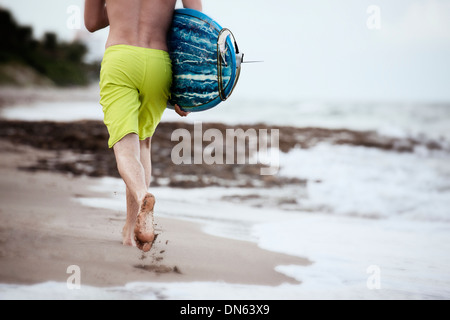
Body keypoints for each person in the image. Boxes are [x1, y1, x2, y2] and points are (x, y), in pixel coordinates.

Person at [84, 0, 202, 252]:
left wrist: (120, 12)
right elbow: (197, 27)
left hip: (121, 58)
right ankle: (130, 229)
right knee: (143, 142)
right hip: (159, 63)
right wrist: (188, 91)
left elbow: (92, 23)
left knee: (125, 147)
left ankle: (142, 196)